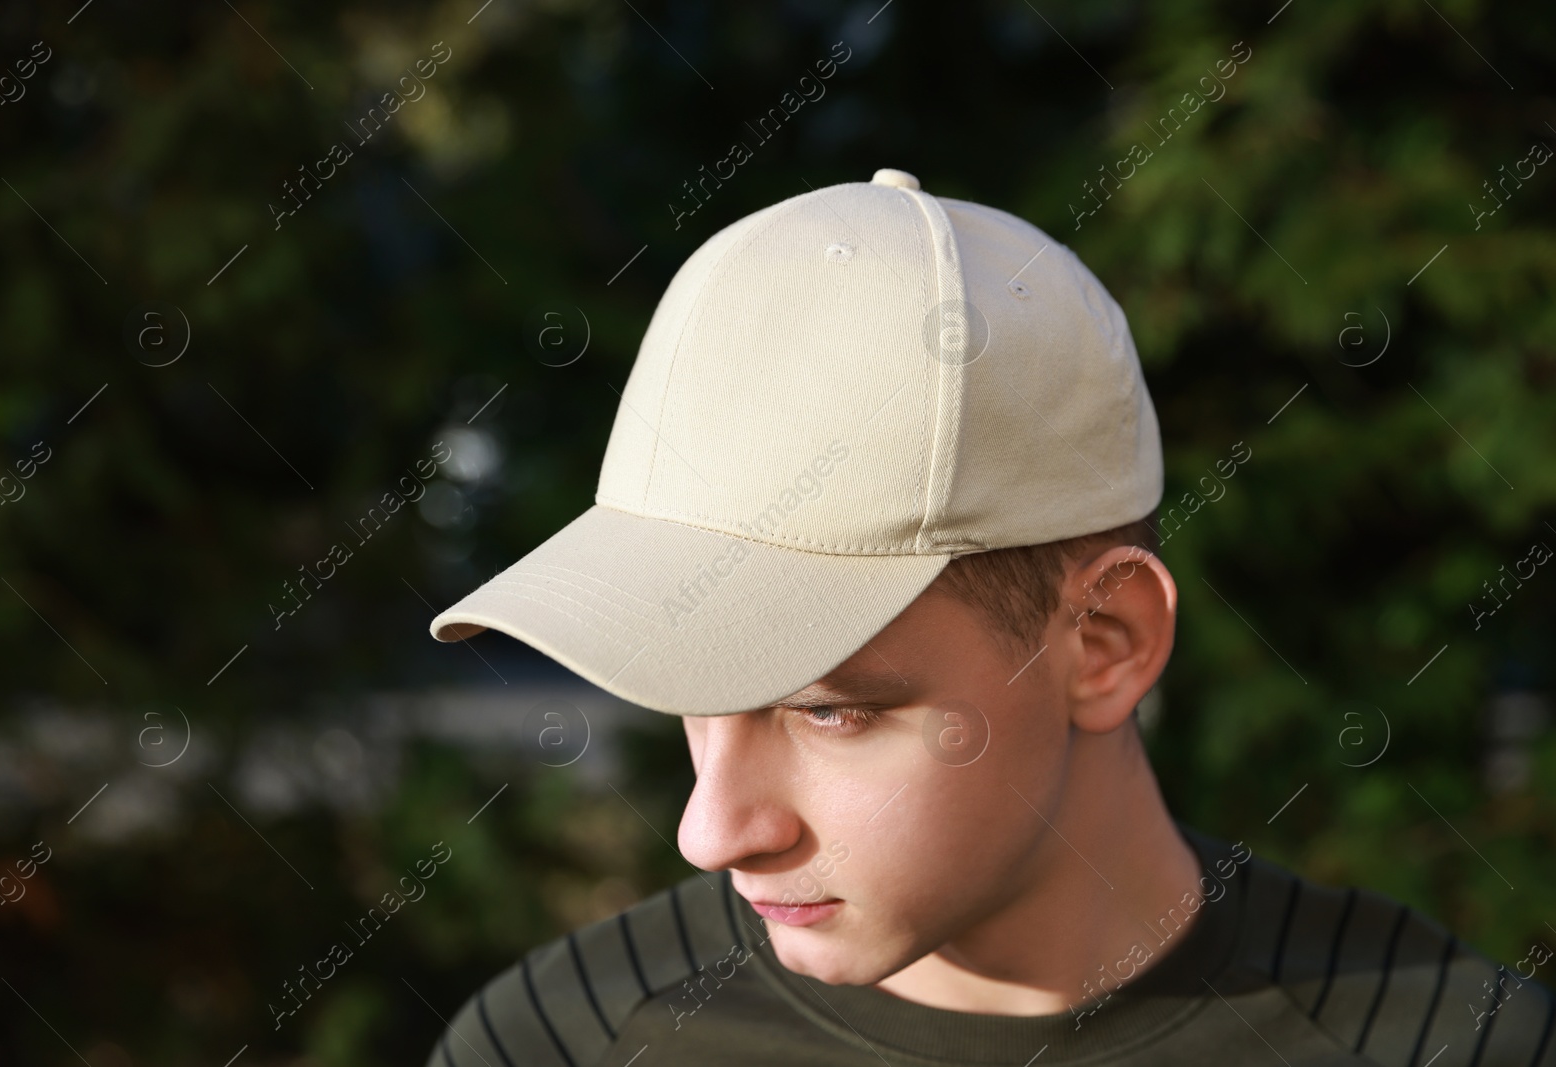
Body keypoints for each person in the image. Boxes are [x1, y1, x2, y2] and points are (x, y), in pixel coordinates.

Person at [419, 169, 1554, 1066]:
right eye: (688, 690)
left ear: (1104, 642)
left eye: (827, 709)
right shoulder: (552, 1041)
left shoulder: (1446, 1043)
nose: (711, 831)